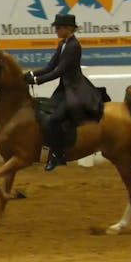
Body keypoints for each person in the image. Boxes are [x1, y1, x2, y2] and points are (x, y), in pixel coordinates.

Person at [24, 14, 104, 171]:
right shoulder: (62, 44)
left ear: (68, 28)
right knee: (45, 113)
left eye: (58, 28)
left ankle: (58, 155)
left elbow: (59, 71)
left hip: (75, 89)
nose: (56, 30)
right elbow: (50, 66)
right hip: (65, 88)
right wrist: (31, 74)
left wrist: (37, 81)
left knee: (54, 119)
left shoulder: (74, 46)